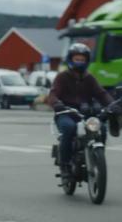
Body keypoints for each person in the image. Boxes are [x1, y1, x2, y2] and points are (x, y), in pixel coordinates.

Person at [47, 43, 115, 178]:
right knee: (69, 128)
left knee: (101, 129)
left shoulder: (89, 78)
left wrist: (112, 104)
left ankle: (97, 157)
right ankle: (65, 165)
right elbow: (53, 94)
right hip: (66, 113)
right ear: (70, 59)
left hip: (85, 113)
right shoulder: (62, 77)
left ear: (87, 61)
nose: (79, 62)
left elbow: (101, 94)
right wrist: (57, 104)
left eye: (82, 59)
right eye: (77, 59)